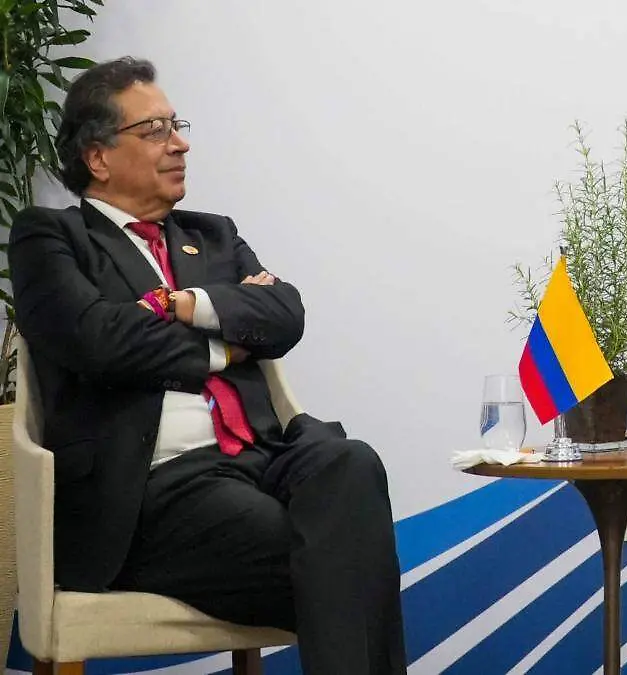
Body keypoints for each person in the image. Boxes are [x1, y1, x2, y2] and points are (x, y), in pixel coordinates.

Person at [9, 57, 407, 674]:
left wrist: (185, 304)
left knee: (350, 463)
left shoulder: (213, 235)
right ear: (99, 157)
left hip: (264, 457)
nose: (180, 143)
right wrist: (224, 344)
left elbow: (284, 315)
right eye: (155, 130)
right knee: (342, 552)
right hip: (153, 489)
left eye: (177, 125)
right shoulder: (51, 237)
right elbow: (99, 340)